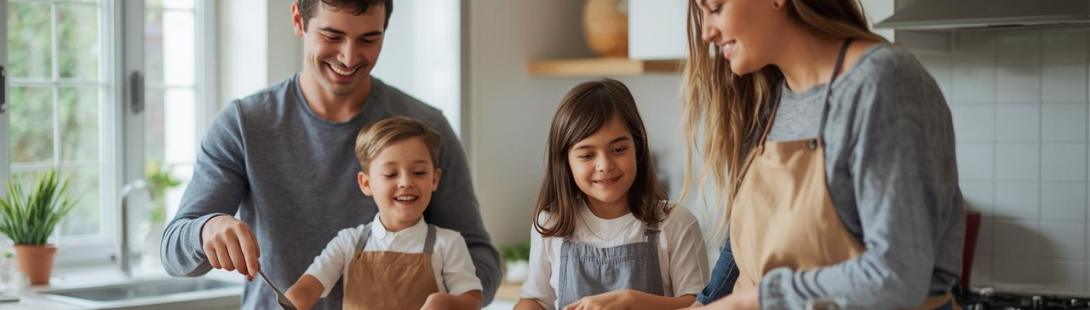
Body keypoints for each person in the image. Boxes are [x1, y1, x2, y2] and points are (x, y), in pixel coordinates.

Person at [159, 1, 500, 309]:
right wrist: (206, 229)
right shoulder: (244, 125)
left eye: (368, 39)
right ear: (298, 20)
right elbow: (173, 251)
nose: (349, 57)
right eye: (332, 35)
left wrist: (460, 300)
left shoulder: (424, 127)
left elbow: (480, 255)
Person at [680, 0, 965, 309]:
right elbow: (748, 248)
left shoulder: (882, 82)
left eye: (717, 7)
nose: (707, 32)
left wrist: (753, 301)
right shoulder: (770, 100)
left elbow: (896, 276)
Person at [516, 79, 709, 310]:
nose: (605, 165)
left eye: (618, 150)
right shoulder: (550, 225)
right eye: (587, 155)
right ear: (565, 162)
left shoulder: (677, 223)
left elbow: (700, 306)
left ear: (638, 148)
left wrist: (631, 301)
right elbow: (535, 300)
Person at [284, 116, 482, 310]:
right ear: (366, 183)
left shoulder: (448, 243)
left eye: (419, 172)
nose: (405, 182)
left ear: (434, 179)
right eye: (390, 174)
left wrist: (445, 303)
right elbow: (310, 285)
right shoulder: (348, 242)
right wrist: (293, 300)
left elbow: (472, 299)